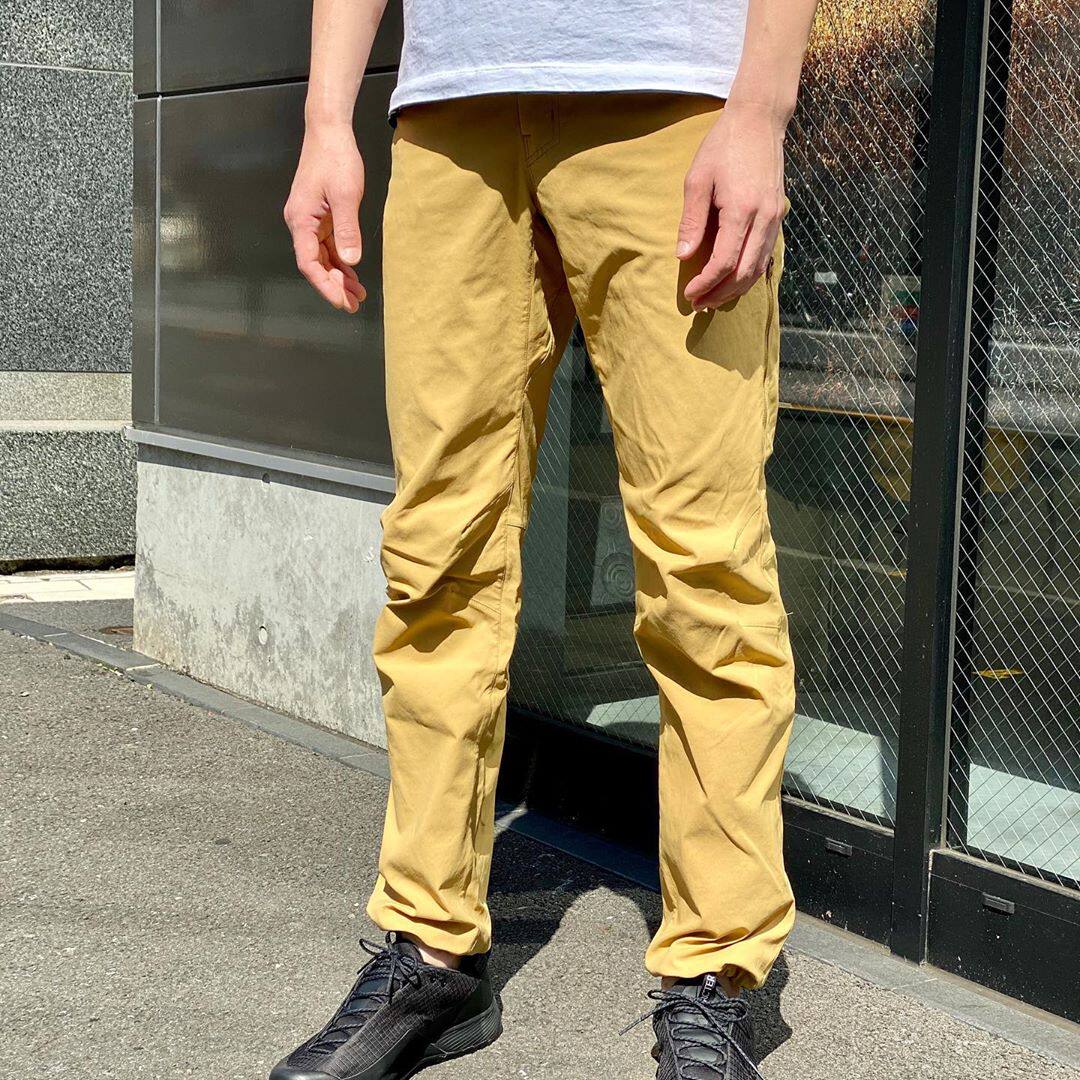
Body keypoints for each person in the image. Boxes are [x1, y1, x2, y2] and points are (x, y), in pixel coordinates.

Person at [274, 0, 818, 1076]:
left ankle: (718, 971)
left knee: (705, 565)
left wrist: (760, 109)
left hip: (672, 101)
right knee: (437, 554)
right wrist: (326, 118)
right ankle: (432, 950)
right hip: (452, 120)